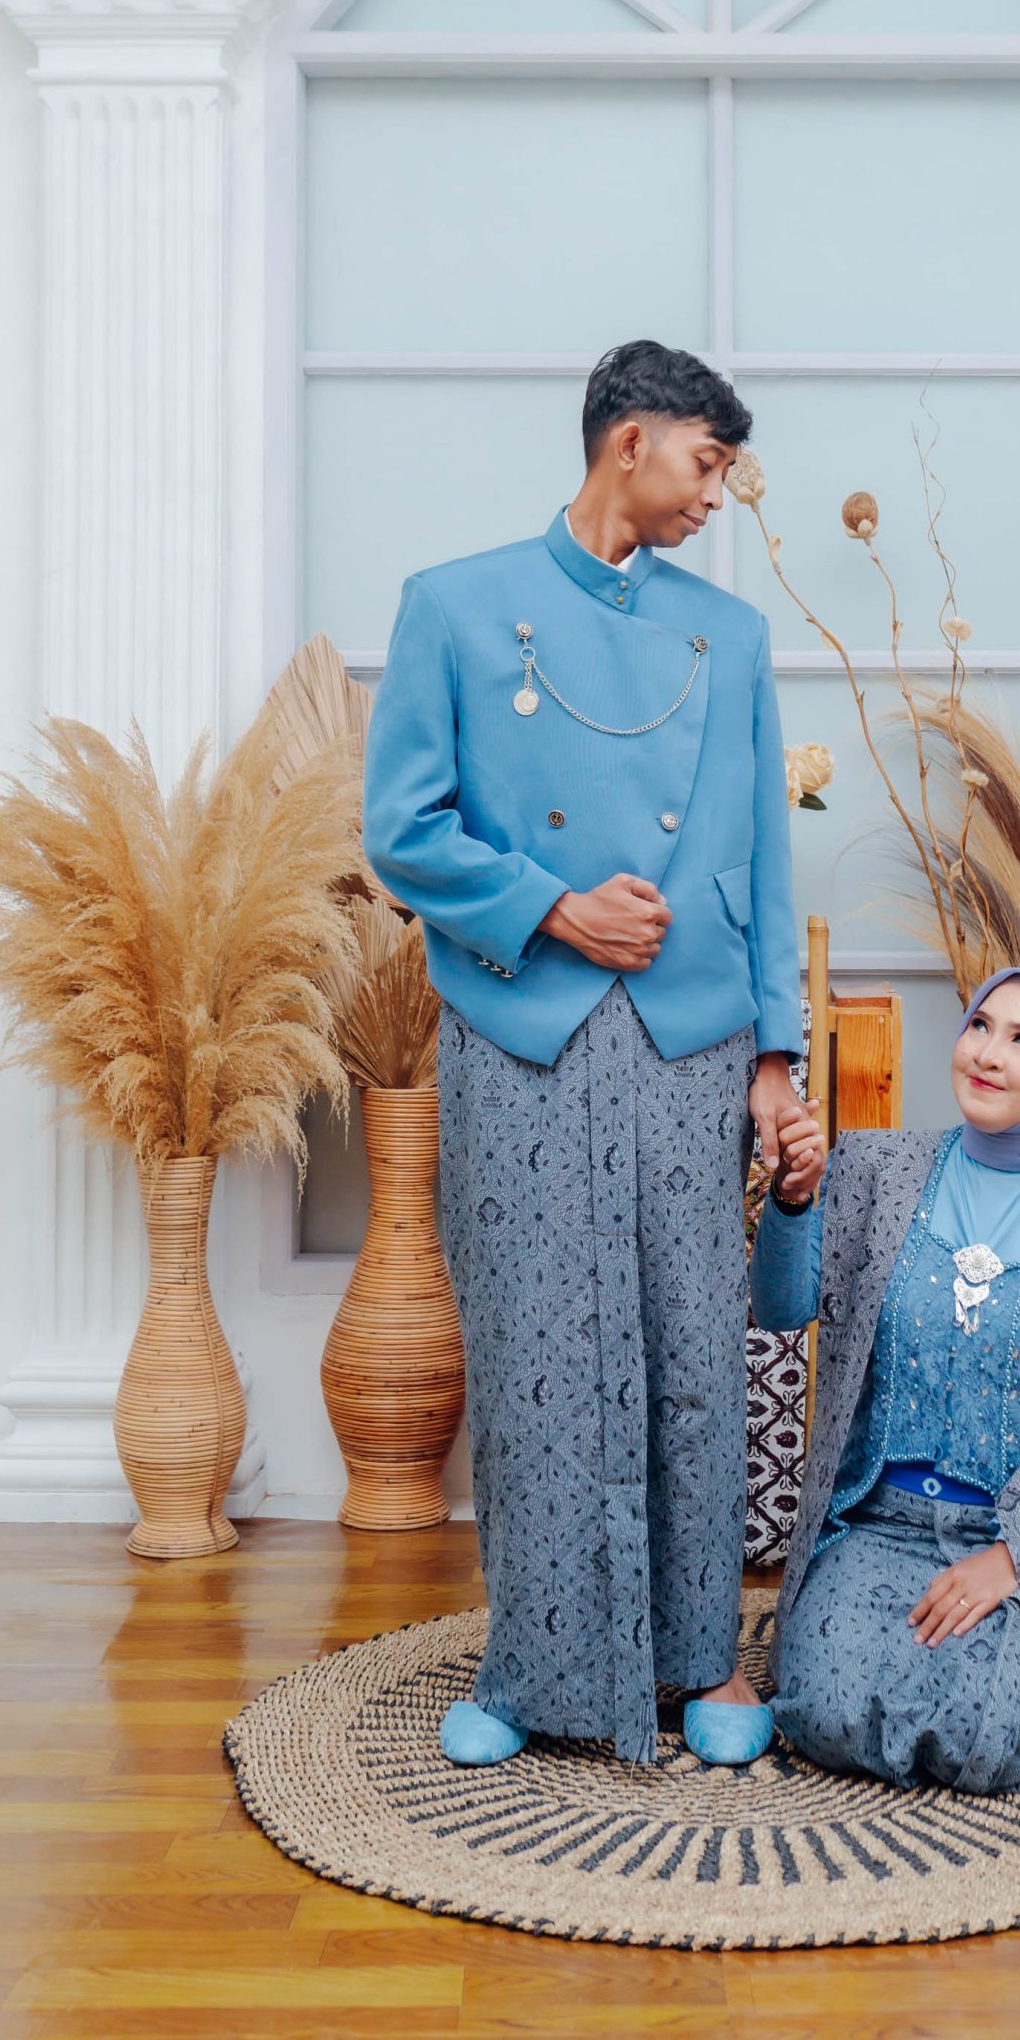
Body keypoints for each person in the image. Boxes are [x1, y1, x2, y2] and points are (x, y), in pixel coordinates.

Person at [363, 340, 819, 1769]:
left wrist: (778, 1057)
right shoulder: (451, 606)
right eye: (706, 463)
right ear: (632, 441)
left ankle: (701, 1663)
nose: (716, 496)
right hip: (523, 1031)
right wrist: (556, 907)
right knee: (535, 1350)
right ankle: (534, 1669)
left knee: (693, 1347)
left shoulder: (730, 637)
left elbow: (764, 855)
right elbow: (400, 832)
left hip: (694, 1032)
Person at [750, 964, 1020, 1793]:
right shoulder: (880, 1169)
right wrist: (793, 1202)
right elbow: (782, 1306)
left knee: (1008, 1730)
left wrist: (1010, 1558)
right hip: (878, 1525)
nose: (988, 1053)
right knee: (824, 1706)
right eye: (980, 1025)